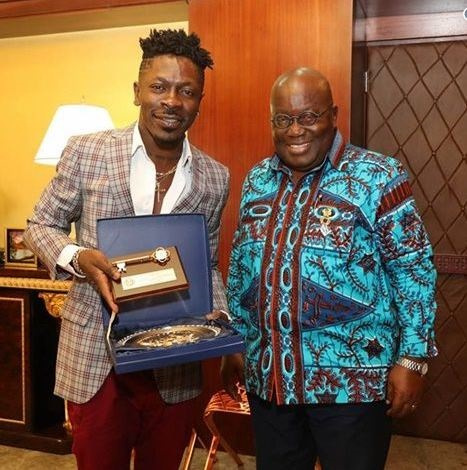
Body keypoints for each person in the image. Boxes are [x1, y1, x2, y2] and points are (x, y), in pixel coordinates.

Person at [24, 29, 229, 470]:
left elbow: (207, 265)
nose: (172, 100)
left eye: (186, 91)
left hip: (174, 363)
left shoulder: (216, 177)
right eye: (159, 87)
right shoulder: (87, 151)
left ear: (200, 100)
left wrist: (222, 316)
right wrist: (78, 257)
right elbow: (40, 226)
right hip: (98, 362)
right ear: (137, 91)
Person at [222, 67, 437, 470]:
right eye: (283, 119)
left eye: (308, 117)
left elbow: (414, 270)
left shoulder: (378, 176)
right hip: (271, 384)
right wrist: (235, 342)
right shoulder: (256, 181)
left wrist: (412, 359)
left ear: (333, 115)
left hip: (353, 390)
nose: (295, 130)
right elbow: (240, 268)